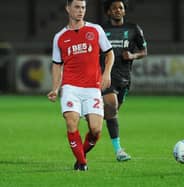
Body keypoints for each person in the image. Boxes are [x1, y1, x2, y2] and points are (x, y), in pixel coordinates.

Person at [47, 0, 114, 171]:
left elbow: (109, 54)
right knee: (71, 122)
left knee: (96, 130)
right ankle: (82, 164)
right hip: (71, 87)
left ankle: (80, 156)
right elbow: (56, 64)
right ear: (68, 8)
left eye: (83, 7)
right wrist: (55, 88)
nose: (80, 11)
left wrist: (106, 73)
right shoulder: (60, 37)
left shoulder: (95, 30)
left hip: (93, 87)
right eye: (77, 7)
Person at [101, 0, 147, 161]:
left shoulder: (134, 29)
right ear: (108, 12)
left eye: (120, 8)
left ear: (124, 11)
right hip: (105, 76)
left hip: (124, 78)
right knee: (111, 107)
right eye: (113, 8)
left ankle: (92, 127)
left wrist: (133, 55)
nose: (117, 10)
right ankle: (119, 151)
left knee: (110, 114)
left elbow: (144, 51)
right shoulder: (101, 30)